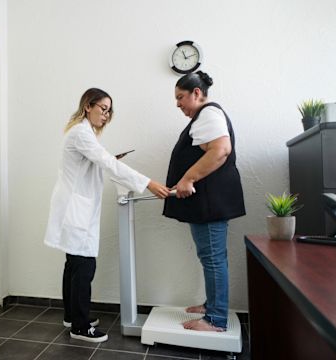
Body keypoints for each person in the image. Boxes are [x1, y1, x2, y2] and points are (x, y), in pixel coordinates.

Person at [44, 88, 170, 343]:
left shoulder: (83, 132)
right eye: (103, 108)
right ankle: (80, 327)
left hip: (75, 205)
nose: (106, 114)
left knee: (74, 264)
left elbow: (98, 161)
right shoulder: (81, 132)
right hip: (75, 208)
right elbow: (107, 164)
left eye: (109, 110)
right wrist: (148, 183)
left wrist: (110, 159)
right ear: (88, 106)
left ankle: (72, 317)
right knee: (83, 265)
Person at [162, 71, 246, 332]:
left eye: (180, 97)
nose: (178, 104)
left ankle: (216, 319)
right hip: (208, 203)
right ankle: (213, 307)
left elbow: (221, 149)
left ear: (196, 93)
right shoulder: (205, 116)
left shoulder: (208, 113)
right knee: (210, 256)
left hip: (210, 204)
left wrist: (187, 178)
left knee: (212, 258)